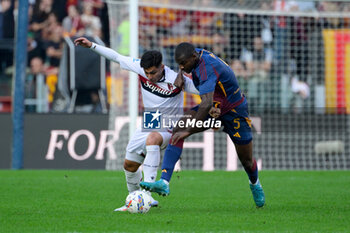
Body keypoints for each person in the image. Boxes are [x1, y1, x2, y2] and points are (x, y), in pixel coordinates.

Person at [74, 37, 205, 211]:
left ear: (161, 67)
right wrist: (91, 45)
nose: (149, 77)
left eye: (153, 72)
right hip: (151, 120)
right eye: (146, 73)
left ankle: (147, 196)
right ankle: (133, 201)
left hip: (170, 123)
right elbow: (116, 57)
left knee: (152, 139)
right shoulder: (141, 68)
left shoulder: (177, 79)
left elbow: (205, 89)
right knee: (129, 165)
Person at [140, 42, 265, 208]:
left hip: (234, 111)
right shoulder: (195, 54)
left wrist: (190, 130)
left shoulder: (207, 70)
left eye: (184, 64)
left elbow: (205, 104)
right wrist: (181, 73)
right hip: (215, 106)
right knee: (178, 128)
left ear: (193, 58)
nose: (182, 66)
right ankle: (164, 181)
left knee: (247, 160)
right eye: (179, 64)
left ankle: (255, 183)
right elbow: (187, 64)